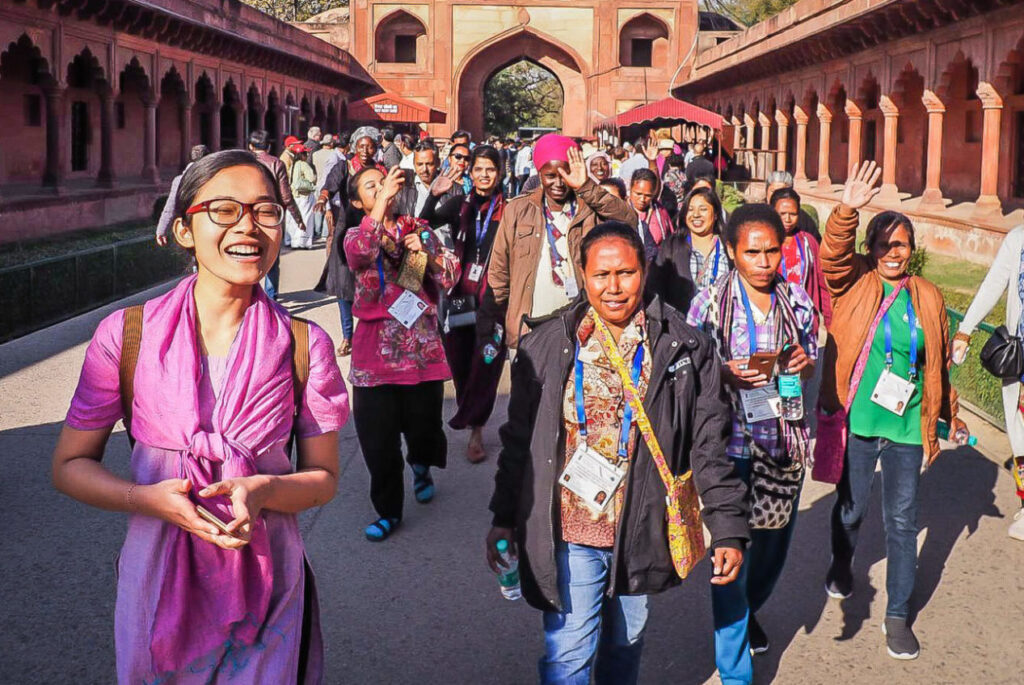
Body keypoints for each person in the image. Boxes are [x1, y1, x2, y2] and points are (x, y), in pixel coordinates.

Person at [52, 150, 349, 683]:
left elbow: (324, 478)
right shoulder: (127, 336)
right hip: (155, 579)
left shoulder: (304, 346)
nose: (248, 227)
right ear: (184, 229)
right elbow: (70, 465)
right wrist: (145, 499)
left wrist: (265, 491)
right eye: (224, 210)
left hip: (270, 586)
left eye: (265, 211)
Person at [486, 222, 748, 685]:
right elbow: (519, 440)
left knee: (625, 644)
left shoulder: (685, 348)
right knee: (569, 654)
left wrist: (727, 528)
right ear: (582, 275)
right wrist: (503, 516)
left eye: (625, 273)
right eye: (601, 275)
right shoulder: (546, 345)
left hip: (641, 528)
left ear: (644, 271)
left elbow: (709, 445)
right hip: (571, 529)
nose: (614, 287)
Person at [818, 161, 969, 660]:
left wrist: (950, 414)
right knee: (852, 510)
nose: (891, 252)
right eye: (882, 244)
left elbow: (936, 365)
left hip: (906, 425)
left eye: (900, 244)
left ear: (912, 249)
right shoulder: (855, 282)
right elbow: (831, 258)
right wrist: (846, 211)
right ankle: (842, 563)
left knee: (902, 522)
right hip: (859, 422)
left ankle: (898, 615)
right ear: (870, 248)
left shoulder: (928, 296)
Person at [687, 203, 818, 684]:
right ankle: (735, 670)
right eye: (752, 253)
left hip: (781, 445)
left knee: (770, 553)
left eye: (772, 252)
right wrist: (721, 373)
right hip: (729, 450)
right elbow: (688, 372)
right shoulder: (707, 304)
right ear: (731, 251)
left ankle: (746, 610)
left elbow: (809, 357)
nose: (764, 263)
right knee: (731, 556)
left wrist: (803, 362)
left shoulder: (796, 300)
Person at [344, 165, 458, 542]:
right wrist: (380, 207)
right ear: (357, 202)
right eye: (371, 187)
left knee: (424, 429)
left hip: (420, 352)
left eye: (384, 183)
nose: (382, 190)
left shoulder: (417, 229)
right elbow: (361, 252)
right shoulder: (355, 235)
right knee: (378, 441)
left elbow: (449, 276)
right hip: (373, 358)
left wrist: (425, 253)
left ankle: (422, 466)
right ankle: (389, 511)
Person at [482, 134, 637, 350]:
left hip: (579, 326)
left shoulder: (588, 209)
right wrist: (489, 324)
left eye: (564, 174)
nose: (558, 183)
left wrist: (586, 186)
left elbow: (629, 220)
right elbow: (499, 272)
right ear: (539, 174)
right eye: (550, 175)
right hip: (529, 327)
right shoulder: (518, 210)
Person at [420, 145, 506, 464]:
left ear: (500, 173)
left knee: (487, 361)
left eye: (490, 169)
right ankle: (469, 411)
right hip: (460, 295)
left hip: (494, 298)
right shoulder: (459, 205)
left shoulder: (509, 210)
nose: (484, 175)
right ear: (471, 172)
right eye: (479, 169)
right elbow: (423, 223)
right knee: (459, 358)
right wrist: (433, 195)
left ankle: (476, 429)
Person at [953, 222, 1024, 541]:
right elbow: (994, 283)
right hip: (1022, 364)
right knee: (1021, 438)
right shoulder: (1019, 239)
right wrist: (965, 330)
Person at [647, 186, 727, 315]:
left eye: (703, 209)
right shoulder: (671, 247)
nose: (696, 215)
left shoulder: (729, 248)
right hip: (681, 324)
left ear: (716, 214)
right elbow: (655, 288)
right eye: (690, 209)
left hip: (722, 324)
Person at [249, 130, 306, 300]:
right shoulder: (276, 163)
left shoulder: (244, 163)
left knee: (248, 255)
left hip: (247, 215)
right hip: (270, 216)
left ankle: (250, 296)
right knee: (272, 259)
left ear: (250, 146)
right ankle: (270, 298)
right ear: (268, 146)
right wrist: (298, 219)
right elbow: (286, 197)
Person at [156, 145, 209, 246]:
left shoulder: (179, 180)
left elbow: (170, 207)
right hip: (207, 223)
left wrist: (161, 231)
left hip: (188, 226)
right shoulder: (211, 178)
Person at [627, 168, 673, 262]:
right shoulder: (621, 212)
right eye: (638, 194)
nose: (642, 199)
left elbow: (670, 238)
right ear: (630, 189)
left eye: (647, 195)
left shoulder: (660, 212)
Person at [765, 170, 821, 241]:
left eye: (782, 191)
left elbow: (816, 243)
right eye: (773, 191)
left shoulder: (803, 219)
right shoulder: (757, 215)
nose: (787, 219)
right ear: (766, 191)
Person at [285, 142, 316, 250]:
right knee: (306, 218)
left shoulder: (293, 165)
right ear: (301, 154)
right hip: (304, 195)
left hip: (294, 195)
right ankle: (303, 242)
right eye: (305, 153)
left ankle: (292, 241)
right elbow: (312, 178)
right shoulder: (304, 164)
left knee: (293, 219)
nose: (307, 155)